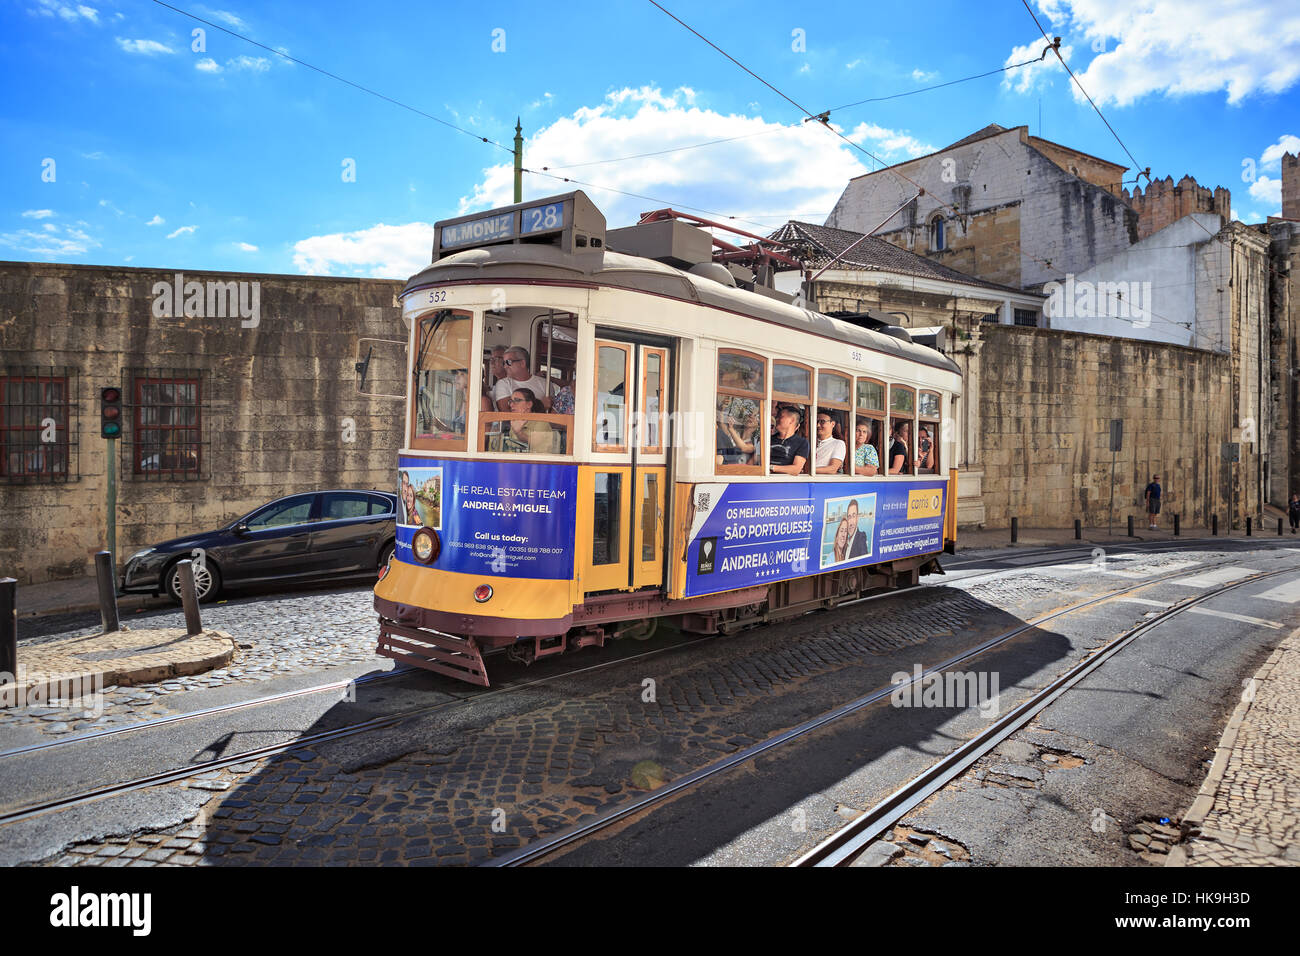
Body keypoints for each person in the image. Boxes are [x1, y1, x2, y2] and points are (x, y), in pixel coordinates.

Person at [506, 388, 560, 454]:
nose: (511, 405)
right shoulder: (515, 421)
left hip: (539, 462)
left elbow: (534, 443)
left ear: (529, 404)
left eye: (517, 400)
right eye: (511, 401)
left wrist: (518, 433)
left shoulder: (541, 421)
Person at [717, 398, 759, 465]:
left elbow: (744, 448)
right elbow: (720, 424)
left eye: (755, 416)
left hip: (737, 469)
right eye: (749, 414)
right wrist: (721, 409)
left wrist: (731, 429)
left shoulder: (756, 440)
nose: (751, 417)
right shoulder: (737, 433)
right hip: (724, 463)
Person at [769, 405, 809, 475]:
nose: (777, 419)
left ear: (792, 420)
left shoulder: (802, 442)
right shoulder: (769, 439)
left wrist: (771, 468)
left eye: (780, 416)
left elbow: (796, 469)